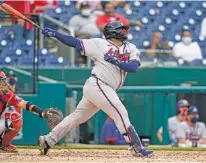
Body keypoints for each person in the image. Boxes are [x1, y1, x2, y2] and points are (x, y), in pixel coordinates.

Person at [38, 21, 153, 157]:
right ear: (113, 31)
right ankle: (136, 147)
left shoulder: (131, 47)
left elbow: (133, 68)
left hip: (103, 88)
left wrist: (116, 61)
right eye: (121, 29)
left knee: (76, 118)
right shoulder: (99, 44)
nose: (124, 31)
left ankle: (48, 140)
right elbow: (75, 42)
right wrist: (55, 34)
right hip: (98, 84)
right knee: (119, 111)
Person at [0, 71, 61, 152]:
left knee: (16, 117)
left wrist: (41, 112)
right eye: (1, 81)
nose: (4, 84)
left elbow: (24, 104)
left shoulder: (7, 95)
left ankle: (4, 145)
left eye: (3, 81)